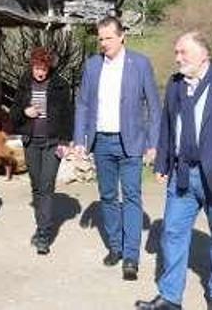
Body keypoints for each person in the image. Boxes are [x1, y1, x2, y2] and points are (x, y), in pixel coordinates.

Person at [136, 31, 212, 310]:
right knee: (172, 234)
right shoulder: (175, 84)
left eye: (184, 52)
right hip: (182, 175)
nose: (177, 58)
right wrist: (162, 163)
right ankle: (170, 297)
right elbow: (168, 127)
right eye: (176, 53)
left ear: (204, 54)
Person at [73, 16, 161, 281]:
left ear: (122, 37)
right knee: (108, 196)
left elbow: (154, 107)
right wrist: (80, 138)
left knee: (132, 196)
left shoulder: (140, 64)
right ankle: (116, 247)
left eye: (109, 38)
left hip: (131, 141)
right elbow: (83, 104)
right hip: (101, 141)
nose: (104, 43)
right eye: (100, 39)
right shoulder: (92, 66)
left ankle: (131, 256)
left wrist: (153, 142)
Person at [10, 47, 74, 255]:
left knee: (46, 186)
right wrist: (24, 111)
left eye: (44, 68)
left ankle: (44, 234)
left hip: (52, 142)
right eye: (37, 67)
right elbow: (14, 114)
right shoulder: (24, 82)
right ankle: (41, 227)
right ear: (32, 65)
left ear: (49, 67)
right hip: (30, 142)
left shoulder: (60, 85)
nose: (40, 72)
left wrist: (65, 141)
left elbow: (67, 114)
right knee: (36, 186)